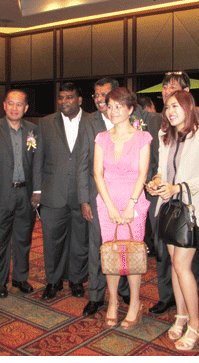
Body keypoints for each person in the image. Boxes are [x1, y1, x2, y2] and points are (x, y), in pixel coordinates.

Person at [146, 90, 199, 350]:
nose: (170, 111)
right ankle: (181, 315)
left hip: (191, 210)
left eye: (175, 106)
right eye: (167, 107)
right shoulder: (165, 136)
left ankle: (196, 324)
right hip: (169, 210)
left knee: (181, 266)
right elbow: (161, 171)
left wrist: (177, 187)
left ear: (188, 107)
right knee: (176, 266)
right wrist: (156, 183)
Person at [93, 87, 152, 329]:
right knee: (111, 251)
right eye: (110, 106)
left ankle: (135, 302)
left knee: (133, 251)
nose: (113, 111)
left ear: (130, 109)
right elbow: (98, 174)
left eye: (119, 106)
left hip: (133, 201)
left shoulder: (142, 137)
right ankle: (113, 301)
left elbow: (143, 173)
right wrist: (109, 206)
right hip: (107, 201)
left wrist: (131, 205)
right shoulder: (101, 137)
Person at [76, 78, 131, 316]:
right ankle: (96, 295)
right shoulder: (89, 122)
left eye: (104, 95)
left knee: (125, 245)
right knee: (98, 247)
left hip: (126, 196)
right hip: (97, 197)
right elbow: (82, 163)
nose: (99, 99)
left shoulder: (131, 119)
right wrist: (84, 200)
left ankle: (125, 290)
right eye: (96, 95)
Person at [0, 90, 42, 298]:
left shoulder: (34, 130)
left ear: (26, 108)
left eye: (19, 104)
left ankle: (20, 278)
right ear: (4, 105)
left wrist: (37, 190)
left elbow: (38, 162)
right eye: (11, 103)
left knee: (23, 238)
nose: (15, 108)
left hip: (25, 192)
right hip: (1, 193)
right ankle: (0, 281)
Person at [35, 83, 89, 300]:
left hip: (82, 195)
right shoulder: (46, 122)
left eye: (69, 97)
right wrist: (37, 190)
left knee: (80, 241)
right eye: (61, 98)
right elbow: (38, 158)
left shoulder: (92, 121)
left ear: (79, 100)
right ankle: (53, 281)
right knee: (52, 241)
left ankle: (77, 280)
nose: (64, 101)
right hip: (53, 193)